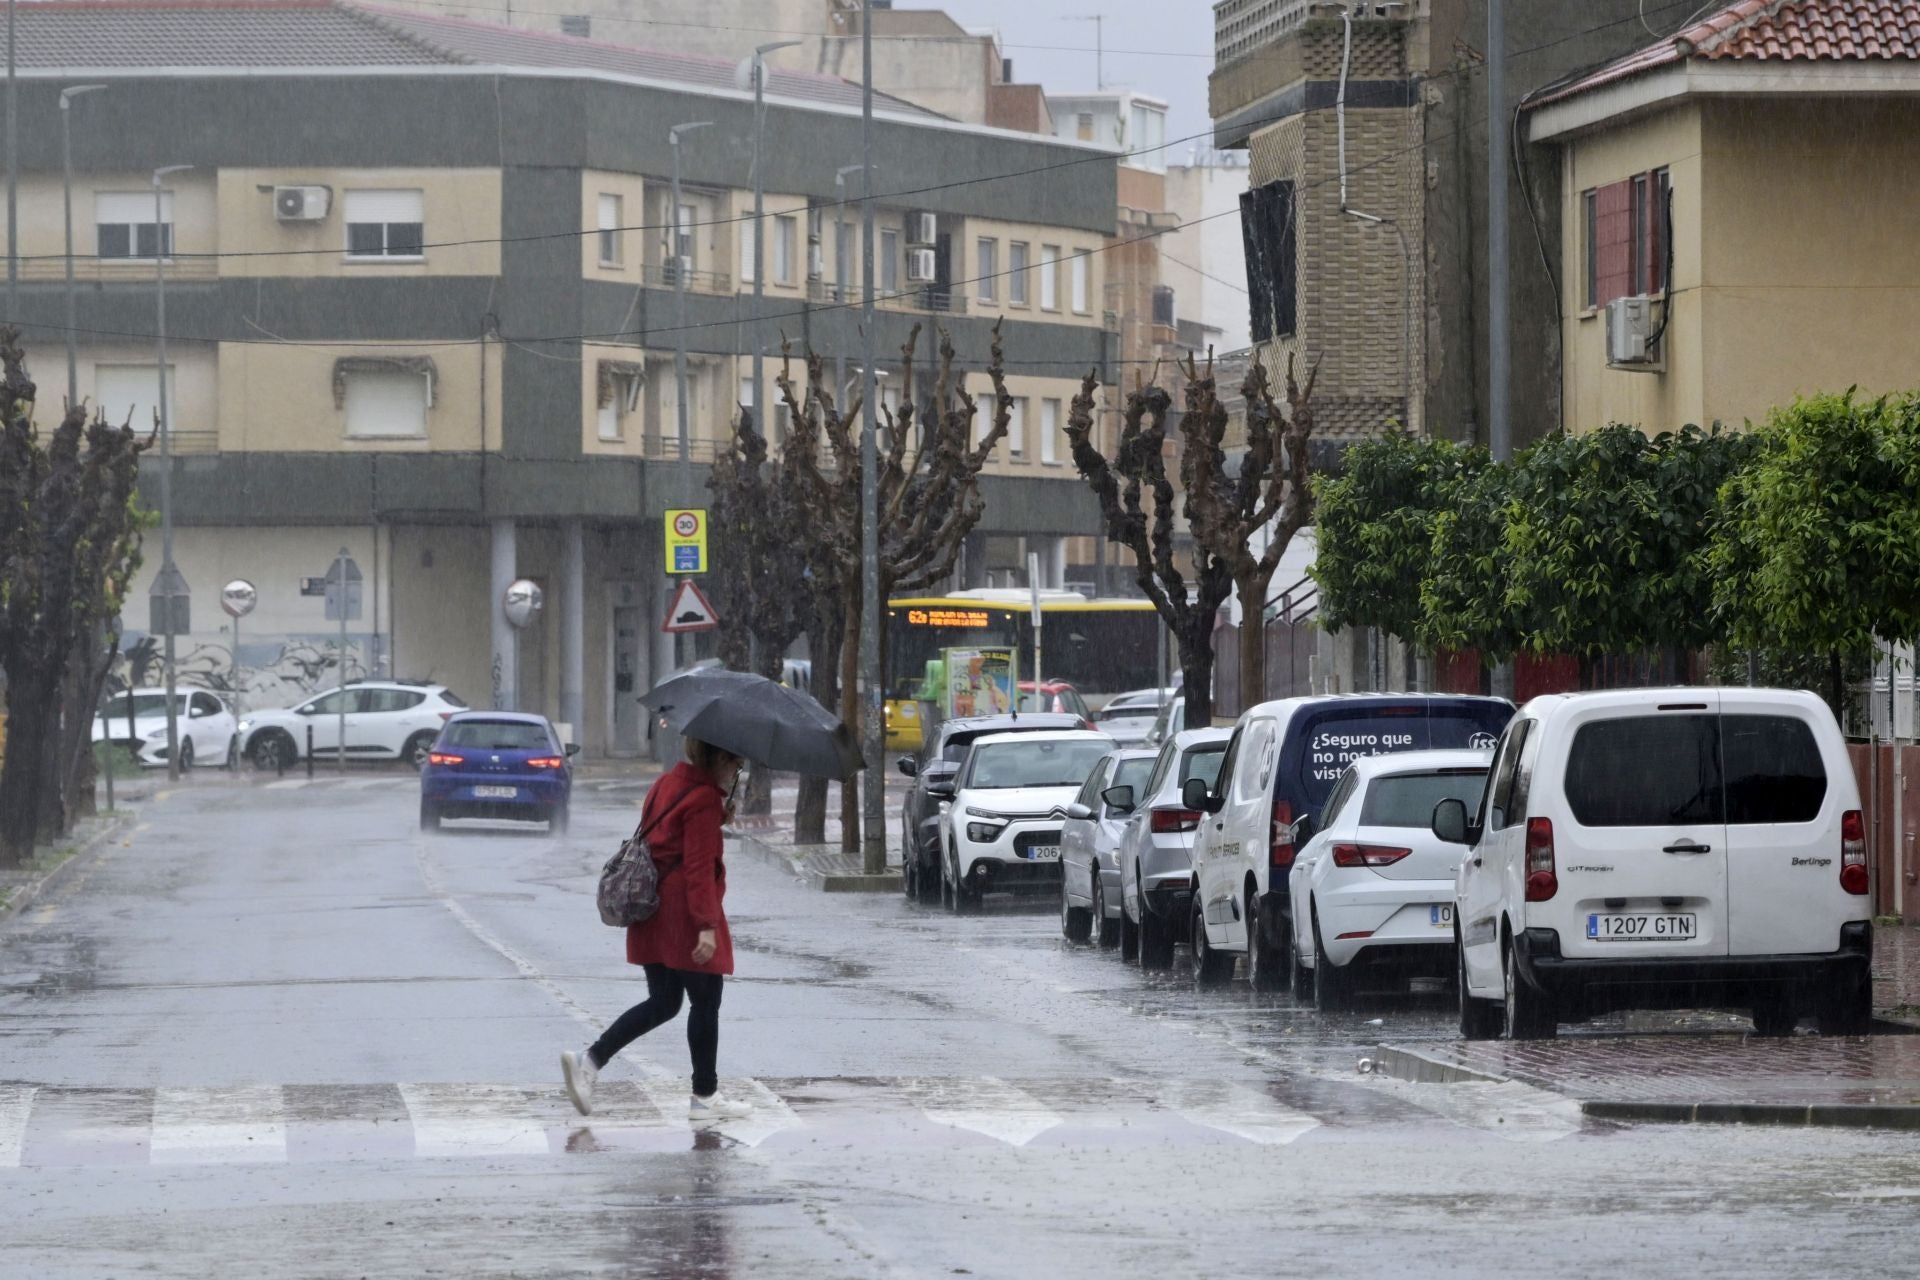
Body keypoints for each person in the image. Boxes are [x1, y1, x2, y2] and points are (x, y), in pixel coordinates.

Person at [562, 737, 754, 1121]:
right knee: (706, 1001)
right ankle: (705, 1097)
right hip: (683, 915)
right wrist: (706, 927)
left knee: (665, 1001)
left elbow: (667, 839)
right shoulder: (701, 800)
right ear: (719, 757)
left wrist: (717, 817)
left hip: (653, 910)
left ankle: (590, 1060)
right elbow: (699, 869)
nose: (736, 772)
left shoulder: (667, 784)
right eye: (735, 764)